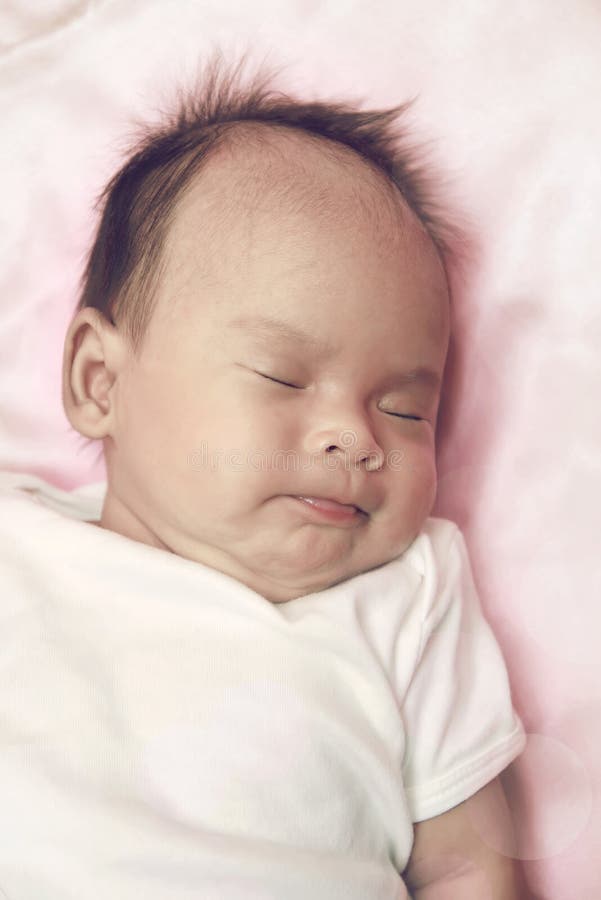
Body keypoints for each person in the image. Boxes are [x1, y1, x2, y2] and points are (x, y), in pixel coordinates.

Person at [0, 53, 529, 898]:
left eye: (404, 410)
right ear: (101, 382)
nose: (354, 439)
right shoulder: (18, 547)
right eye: (283, 378)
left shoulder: (408, 596)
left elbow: (469, 866)